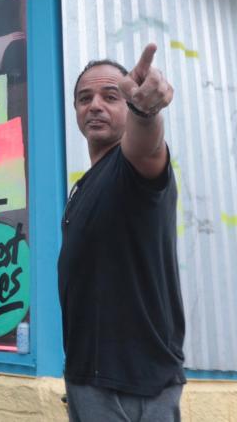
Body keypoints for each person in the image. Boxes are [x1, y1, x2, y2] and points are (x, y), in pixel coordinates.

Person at [57, 44, 186, 421]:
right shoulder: (83, 186)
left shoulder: (130, 167)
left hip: (136, 388)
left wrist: (144, 110)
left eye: (110, 96)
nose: (94, 105)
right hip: (87, 379)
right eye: (84, 98)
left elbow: (146, 146)